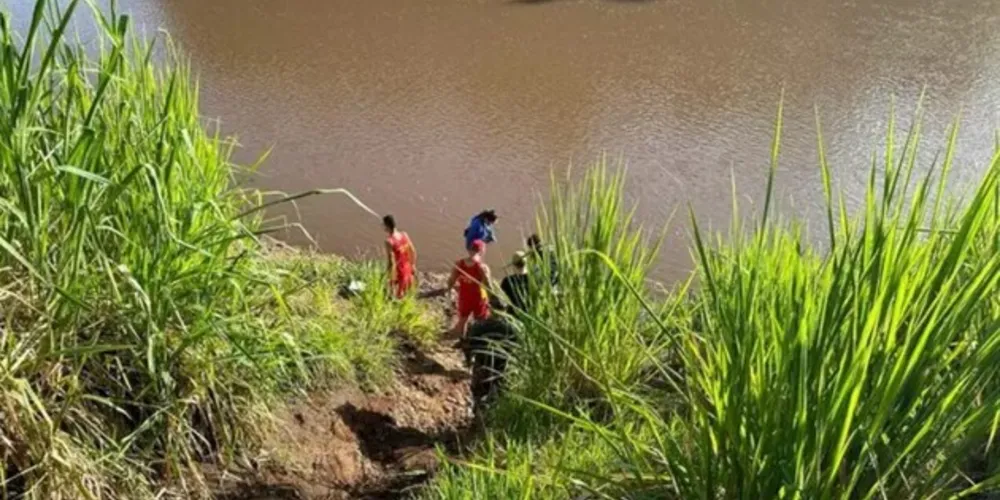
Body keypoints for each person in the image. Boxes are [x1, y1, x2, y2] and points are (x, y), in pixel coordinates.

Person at [447, 239, 493, 338]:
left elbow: (451, 281)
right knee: (480, 321)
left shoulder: (459, 264)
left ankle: (463, 340)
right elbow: (488, 285)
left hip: (464, 296)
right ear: (481, 251)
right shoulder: (482, 267)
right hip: (478, 298)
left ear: (469, 250)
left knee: (463, 320)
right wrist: (492, 300)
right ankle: (477, 340)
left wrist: (450, 290)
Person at [383, 214, 416, 298]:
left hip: (399, 271)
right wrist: (413, 265)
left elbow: (391, 261)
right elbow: (412, 251)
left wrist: (387, 275)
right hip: (407, 268)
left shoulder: (389, 241)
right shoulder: (404, 234)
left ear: (386, 226)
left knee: (397, 295)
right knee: (407, 293)